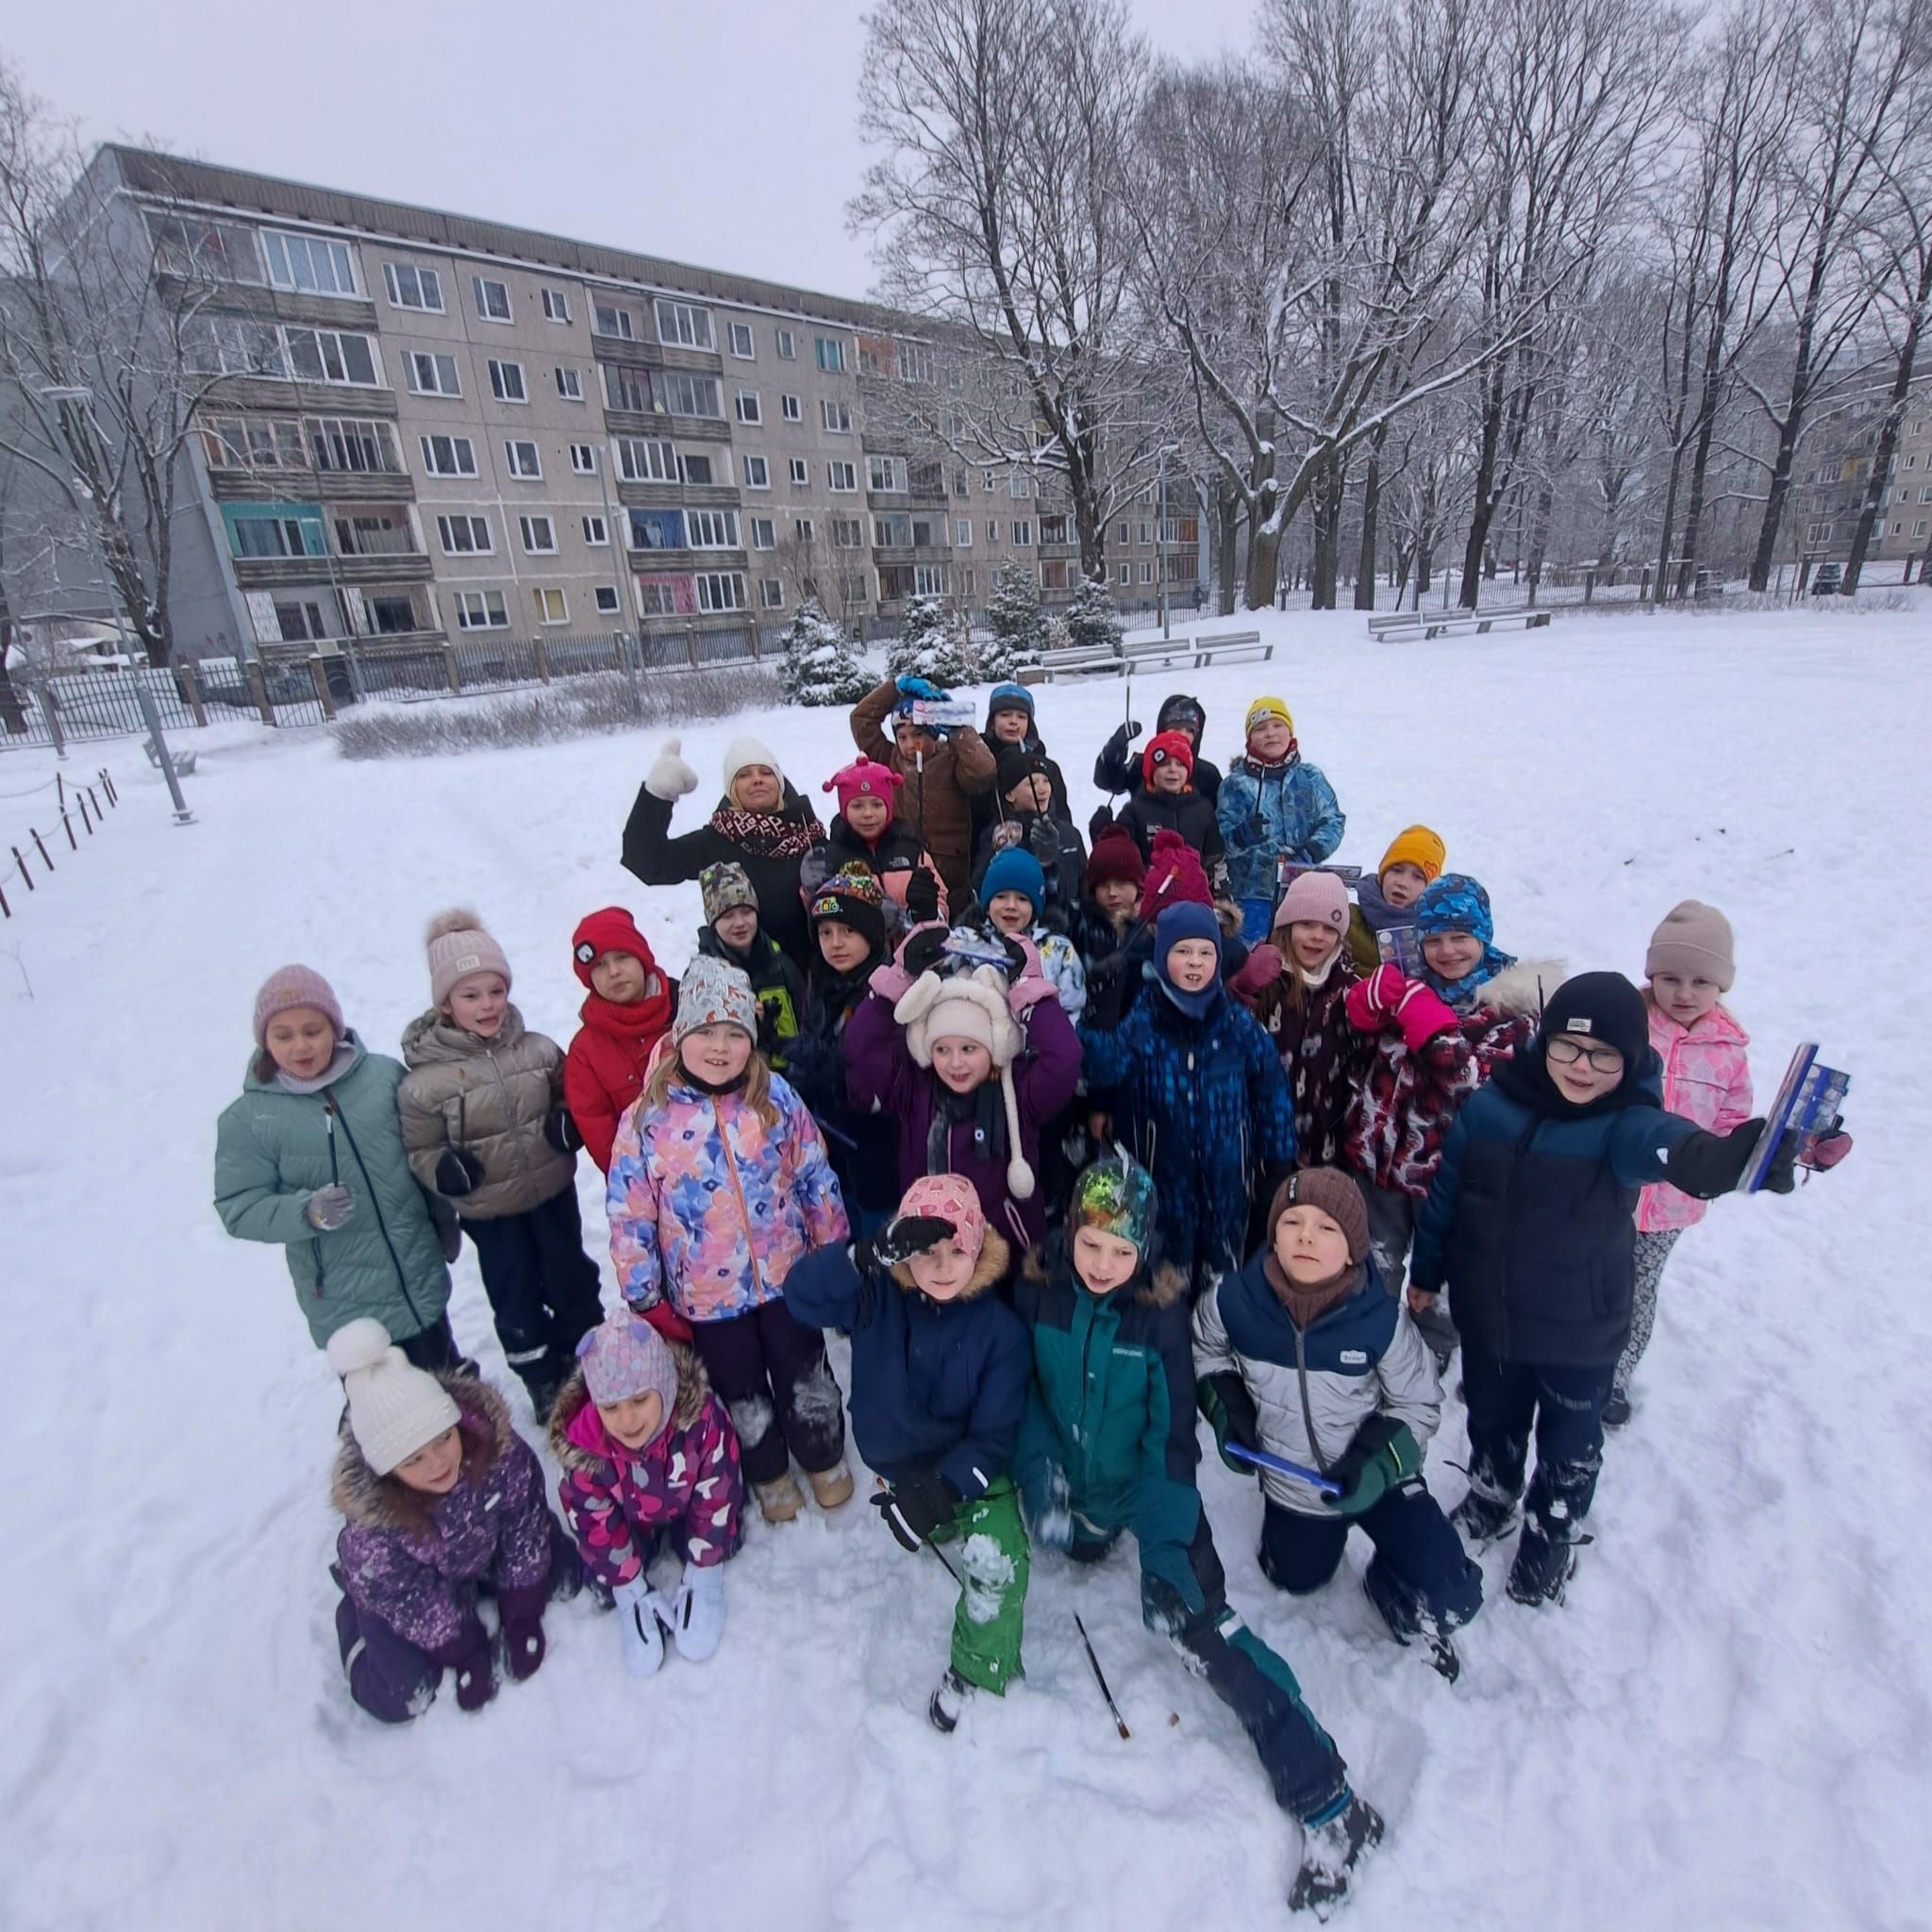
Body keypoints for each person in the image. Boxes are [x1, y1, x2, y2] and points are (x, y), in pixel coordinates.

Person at [1015, 1155, 1383, 1916]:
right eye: (1092, 1245)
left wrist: (1163, 1546)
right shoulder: (1037, 1294)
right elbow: (1026, 1402)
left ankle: (1330, 1801)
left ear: (1145, 1253)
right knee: (1071, 1545)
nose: (1105, 1265)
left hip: (1142, 1495)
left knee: (1196, 1621)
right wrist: (1040, 1474)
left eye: (1124, 1252)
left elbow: (1170, 1446)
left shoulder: (1158, 1323)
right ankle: (1088, 1527)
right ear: (1068, 1234)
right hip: (1077, 1499)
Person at [1409, 971, 1835, 1605]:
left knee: (1569, 1447)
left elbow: (1680, 1154)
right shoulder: (1489, 1108)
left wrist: (1737, 1157)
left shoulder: (1626, 1125)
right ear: (1544, 1042)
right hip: (1490, 1315)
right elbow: (1447, 1195)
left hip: (1578, 1331)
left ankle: (1550, 1538)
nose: (1582, 1067)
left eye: (1603, 1055)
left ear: (1630, 1059)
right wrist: (1426, 1275)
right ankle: (1490, 1497)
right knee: (1492, 1423)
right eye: (1569, 1048)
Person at [1194, 1171, 1480, 1679]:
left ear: (1353, 1250)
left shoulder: (1379, 1321)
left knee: (1452, 1594)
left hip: (1376, 1478)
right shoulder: (1234, 1302)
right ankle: (1312, 1542)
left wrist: (1377, 1464)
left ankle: (1388, 1585)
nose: (1306, 1235)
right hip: (1298, 1489)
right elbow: (1204, 1351)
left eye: (1327, 1228)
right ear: (1273, 1235)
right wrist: (1227, 1409)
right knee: (1295, 1579)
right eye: (1292, 1221)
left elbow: (1418, 1404)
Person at [606, 957, 853, 1525]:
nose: (720, 1047)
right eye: (707, 1032)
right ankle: (767, 1472)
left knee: (805, 1371)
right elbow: (630, 1210)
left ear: (751, 1040)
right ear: (681, 1036)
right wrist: (642, 1291)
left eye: (735, 1033)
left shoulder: (777, 1099)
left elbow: (814, 1174)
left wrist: (831, 1249)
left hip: (788, 1276)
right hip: (708, 1296)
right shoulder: (649, 1119)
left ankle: (823, 1454)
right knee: (740, 1388)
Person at [784, 1176, 1030, 1734]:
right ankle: (927, 1515)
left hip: (970, 1474)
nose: (942, 1267)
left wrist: (942, 1492)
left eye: (956, 1251)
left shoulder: (1001, 1331)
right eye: (925, 1253)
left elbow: (993, 1438)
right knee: (930, 1528)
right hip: (897, 1468)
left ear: (978, 1248)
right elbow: (800, 1296)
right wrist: (862, 1255)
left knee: (995, 1557)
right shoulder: (876, 1295)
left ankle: (978, 1666)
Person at [1341, 873, 1558, 1357]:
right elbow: (1366, 1056)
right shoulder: (1411, 984)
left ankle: (1431, 1349)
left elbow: (1475, 1085)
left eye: (1460, 937)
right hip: (1383, 1161)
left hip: (1453, 1175)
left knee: (1442, 1272)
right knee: (1374, 1260)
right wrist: (1364, 1008)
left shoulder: (1513, 1008)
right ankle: (1367, 1337)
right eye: (1434, 939)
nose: (1447, 951)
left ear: (1483, 935)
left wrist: (1424, 1020)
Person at [398, 910, 603, 1419]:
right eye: (471, 995)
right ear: (445, 1003)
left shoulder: (537, 1050)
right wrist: (443, 1168)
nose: (487, 1004)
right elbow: (420, 1147)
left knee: (570, 1276)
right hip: (491, 1212)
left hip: (553, 1192)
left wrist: (565, 1123)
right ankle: (540, 1377)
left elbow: (565, 1096)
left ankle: (590, 1359)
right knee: (514, 1296)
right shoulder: (424, 1082)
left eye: (495, 990)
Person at [327, 1319, 578, 1723]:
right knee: (400, 1692)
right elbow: (406, 1595)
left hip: (479, 1542)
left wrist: (522, 1609)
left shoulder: (495, 1451)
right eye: (414, 1460)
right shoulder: (374, 1530)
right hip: (408, 1584)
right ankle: (356, 1621)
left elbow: (523, 1520)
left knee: (563, 1571)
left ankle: (501, 1588)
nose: (439, 1462)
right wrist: (461, 1646)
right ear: (387, 1471)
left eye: (444, 1438)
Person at [215, 965, 460, 1366]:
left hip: (415, 1269)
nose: (300, 1047)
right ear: (264, 1041)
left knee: (442, 1367)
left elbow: (424, 1152)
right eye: (283, 1035)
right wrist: (304, 1212)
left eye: (312, 1031)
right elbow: (238, 1207)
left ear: (335, 1028)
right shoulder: (249, 1120)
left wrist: (444, 1221)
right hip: (344, 1298)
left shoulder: (383, 1078)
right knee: (381, 1403)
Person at [1079, 901, 1294, 1293]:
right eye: (1182, 951)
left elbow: (1271, 1089)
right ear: (1162, 958)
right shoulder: (1143, 1021)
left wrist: (1277, 1157)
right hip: (1163, 1178)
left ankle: (1216, 1333)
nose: (1195, 963)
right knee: (1167, 1270)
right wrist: (1099, 1015)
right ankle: (1171, 1340)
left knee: (1223, 1274)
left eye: (1205, 952)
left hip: (1228, 1180)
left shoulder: (1235, 1024)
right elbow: (1107, 1066)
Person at [1609, 902, 1753, 1425]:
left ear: (1721, 987)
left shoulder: (1729, 1050)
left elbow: (1733, 1121)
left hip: (1670, 1206)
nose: (1684, 993)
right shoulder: (1627, 1026)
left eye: (1699, 981)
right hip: (1608, 1190)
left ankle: (1615, 1379)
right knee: (1571, 1278)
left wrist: (1721, 1162)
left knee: (1637, 1292)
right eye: (1670, 978)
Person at [843, 947, 1082, 1254]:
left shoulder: (1020, 1094)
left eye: (969, 1049)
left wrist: (1032, 996)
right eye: (943, 1050)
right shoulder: (913, 1089)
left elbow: (1065, 1058)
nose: (955, 1063)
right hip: (931, 1253)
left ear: (994, 1047)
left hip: (1002, 1255)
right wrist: (898, 978)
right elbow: (860, 1044)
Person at [550, 1309, 743, 1677]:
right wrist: (630, 1590)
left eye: (640, 1400)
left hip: (687, 1503)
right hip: (631, 1516)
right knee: (609, 1574)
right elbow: (593, 1521)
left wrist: (704, 1569)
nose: (627, 1420)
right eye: (610, 1407)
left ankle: (701, 1570)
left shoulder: (700, 1422)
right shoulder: (585, 1449)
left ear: (665, 1385)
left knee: (721, 1535)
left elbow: (718, 1489)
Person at [623, 734, 821, 971]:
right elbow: (648, 863)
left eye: (766, 772)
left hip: (813, 981)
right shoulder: (714, 842)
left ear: (780, 782)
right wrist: (656, 796)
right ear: (731, 788)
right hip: (746, 985)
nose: (757, 780)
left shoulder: (809, 836)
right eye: (744, 775)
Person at [784, 866, 902, 1234]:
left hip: (879, 1153)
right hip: (829, 1141)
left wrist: (830, 1070)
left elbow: (890, 1080)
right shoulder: (820, 981)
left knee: (876, 1231)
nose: (835, 943)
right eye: (825, 932)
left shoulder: (889, 992)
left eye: (848, 931)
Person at [1250, 871, 1364, 1171]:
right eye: (1307, 924)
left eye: (1329, 928)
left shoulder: (1349, 988)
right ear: (1286, 927)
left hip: (1323, 1141)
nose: (1317, 936)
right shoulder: (1260, 979)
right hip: (1260, 1137)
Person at [851, 675, 996, 905]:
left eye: (919, 734)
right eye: (902, 737)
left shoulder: (951, 757)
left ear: (933, 732)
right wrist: (894, 688)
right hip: (904, 865)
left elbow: (984, 773)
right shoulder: (888, 759)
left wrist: (957, 727)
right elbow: (861, 720)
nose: (910, 744)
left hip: (951, 869)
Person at [1216, 698, 1345, 942]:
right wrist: (1241, 837)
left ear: (1290, 731)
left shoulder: (1310, 777)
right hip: (1252, 894)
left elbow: (1333, 820)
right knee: (1253, 964)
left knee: (1299, 956)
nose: (1270, 734)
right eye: (1261, 728)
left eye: (1277, 725)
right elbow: (1219, 838)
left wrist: (1312, 851)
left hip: (1303, 890)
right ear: (1250, 738)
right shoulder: (1235, 784)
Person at [561, 907, 675, 1174]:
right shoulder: (585, 1052)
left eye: (622, 957)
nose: (613, 971)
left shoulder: (687, 1008)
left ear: (642, 958)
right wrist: (637, 1186)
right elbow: (599, 1131)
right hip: (649, 1189)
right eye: (599, 965)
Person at [801, 757, 946, 938]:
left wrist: (928, 911)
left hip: (912, 957)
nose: (868, 814)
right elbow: (820, 917)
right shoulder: (831, 858)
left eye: (877, 804)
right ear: (844, 809)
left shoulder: (911, 848)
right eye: (857, 806)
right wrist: (813, 893)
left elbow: (940, 903)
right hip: (860, 962)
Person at [696, 860, 806, 1074]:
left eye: (746, 912)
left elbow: (805, 1023)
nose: (739, 923)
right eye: (727, 916)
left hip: (789, 1080)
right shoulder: (704, 979)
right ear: (712, 922)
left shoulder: (781, 963)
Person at [972, 742, 1088, 915]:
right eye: (1032, 783)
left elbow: (1085, 886)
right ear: (1010, 795)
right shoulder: (998, 834)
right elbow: (979, 888)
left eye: (1046, 781)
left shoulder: (1070, 833)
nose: (1042, 789)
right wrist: (998, 853)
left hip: (1067, 925)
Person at [978, 846, 1087, 1021]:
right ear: (987, 906)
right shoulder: (968, 945)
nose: (1011, 905)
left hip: (1043, 1043)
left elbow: (1072, 1010)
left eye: (1022, 899)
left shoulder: (1058, 950)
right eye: (1001, 896)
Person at [1114, 730, 1224, 883]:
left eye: (1180, 764)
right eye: (1164, 764)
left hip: (1195, 897)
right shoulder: (1134, 811)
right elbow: (1120, 858)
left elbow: (1215, 858)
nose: (1172, 769)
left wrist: (1220, 896)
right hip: (1150, 897)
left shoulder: (1203, 809)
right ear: (1150, 770)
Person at [1345, 825, 1445, 974]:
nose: (1403, 883)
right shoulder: (1346, 918)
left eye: (1418, 877)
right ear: (1383, 875)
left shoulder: (1435, 939)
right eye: (1397, 870)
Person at [1094, 691, 1224, 807]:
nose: (1183, 734)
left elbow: (1222, 819)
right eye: (1176, 728)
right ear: (1163, 730)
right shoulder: (1142, 766)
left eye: (1190, 730)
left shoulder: (1208, 774)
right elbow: (1108, 782)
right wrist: (1115, 748)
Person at [974, 682, 1071, 831]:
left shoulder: (1047, 767)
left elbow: (1063, 820)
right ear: (992, 722)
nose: (1013, 721)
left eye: (1021, 717)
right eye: (1005, 715)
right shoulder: (976, 762)